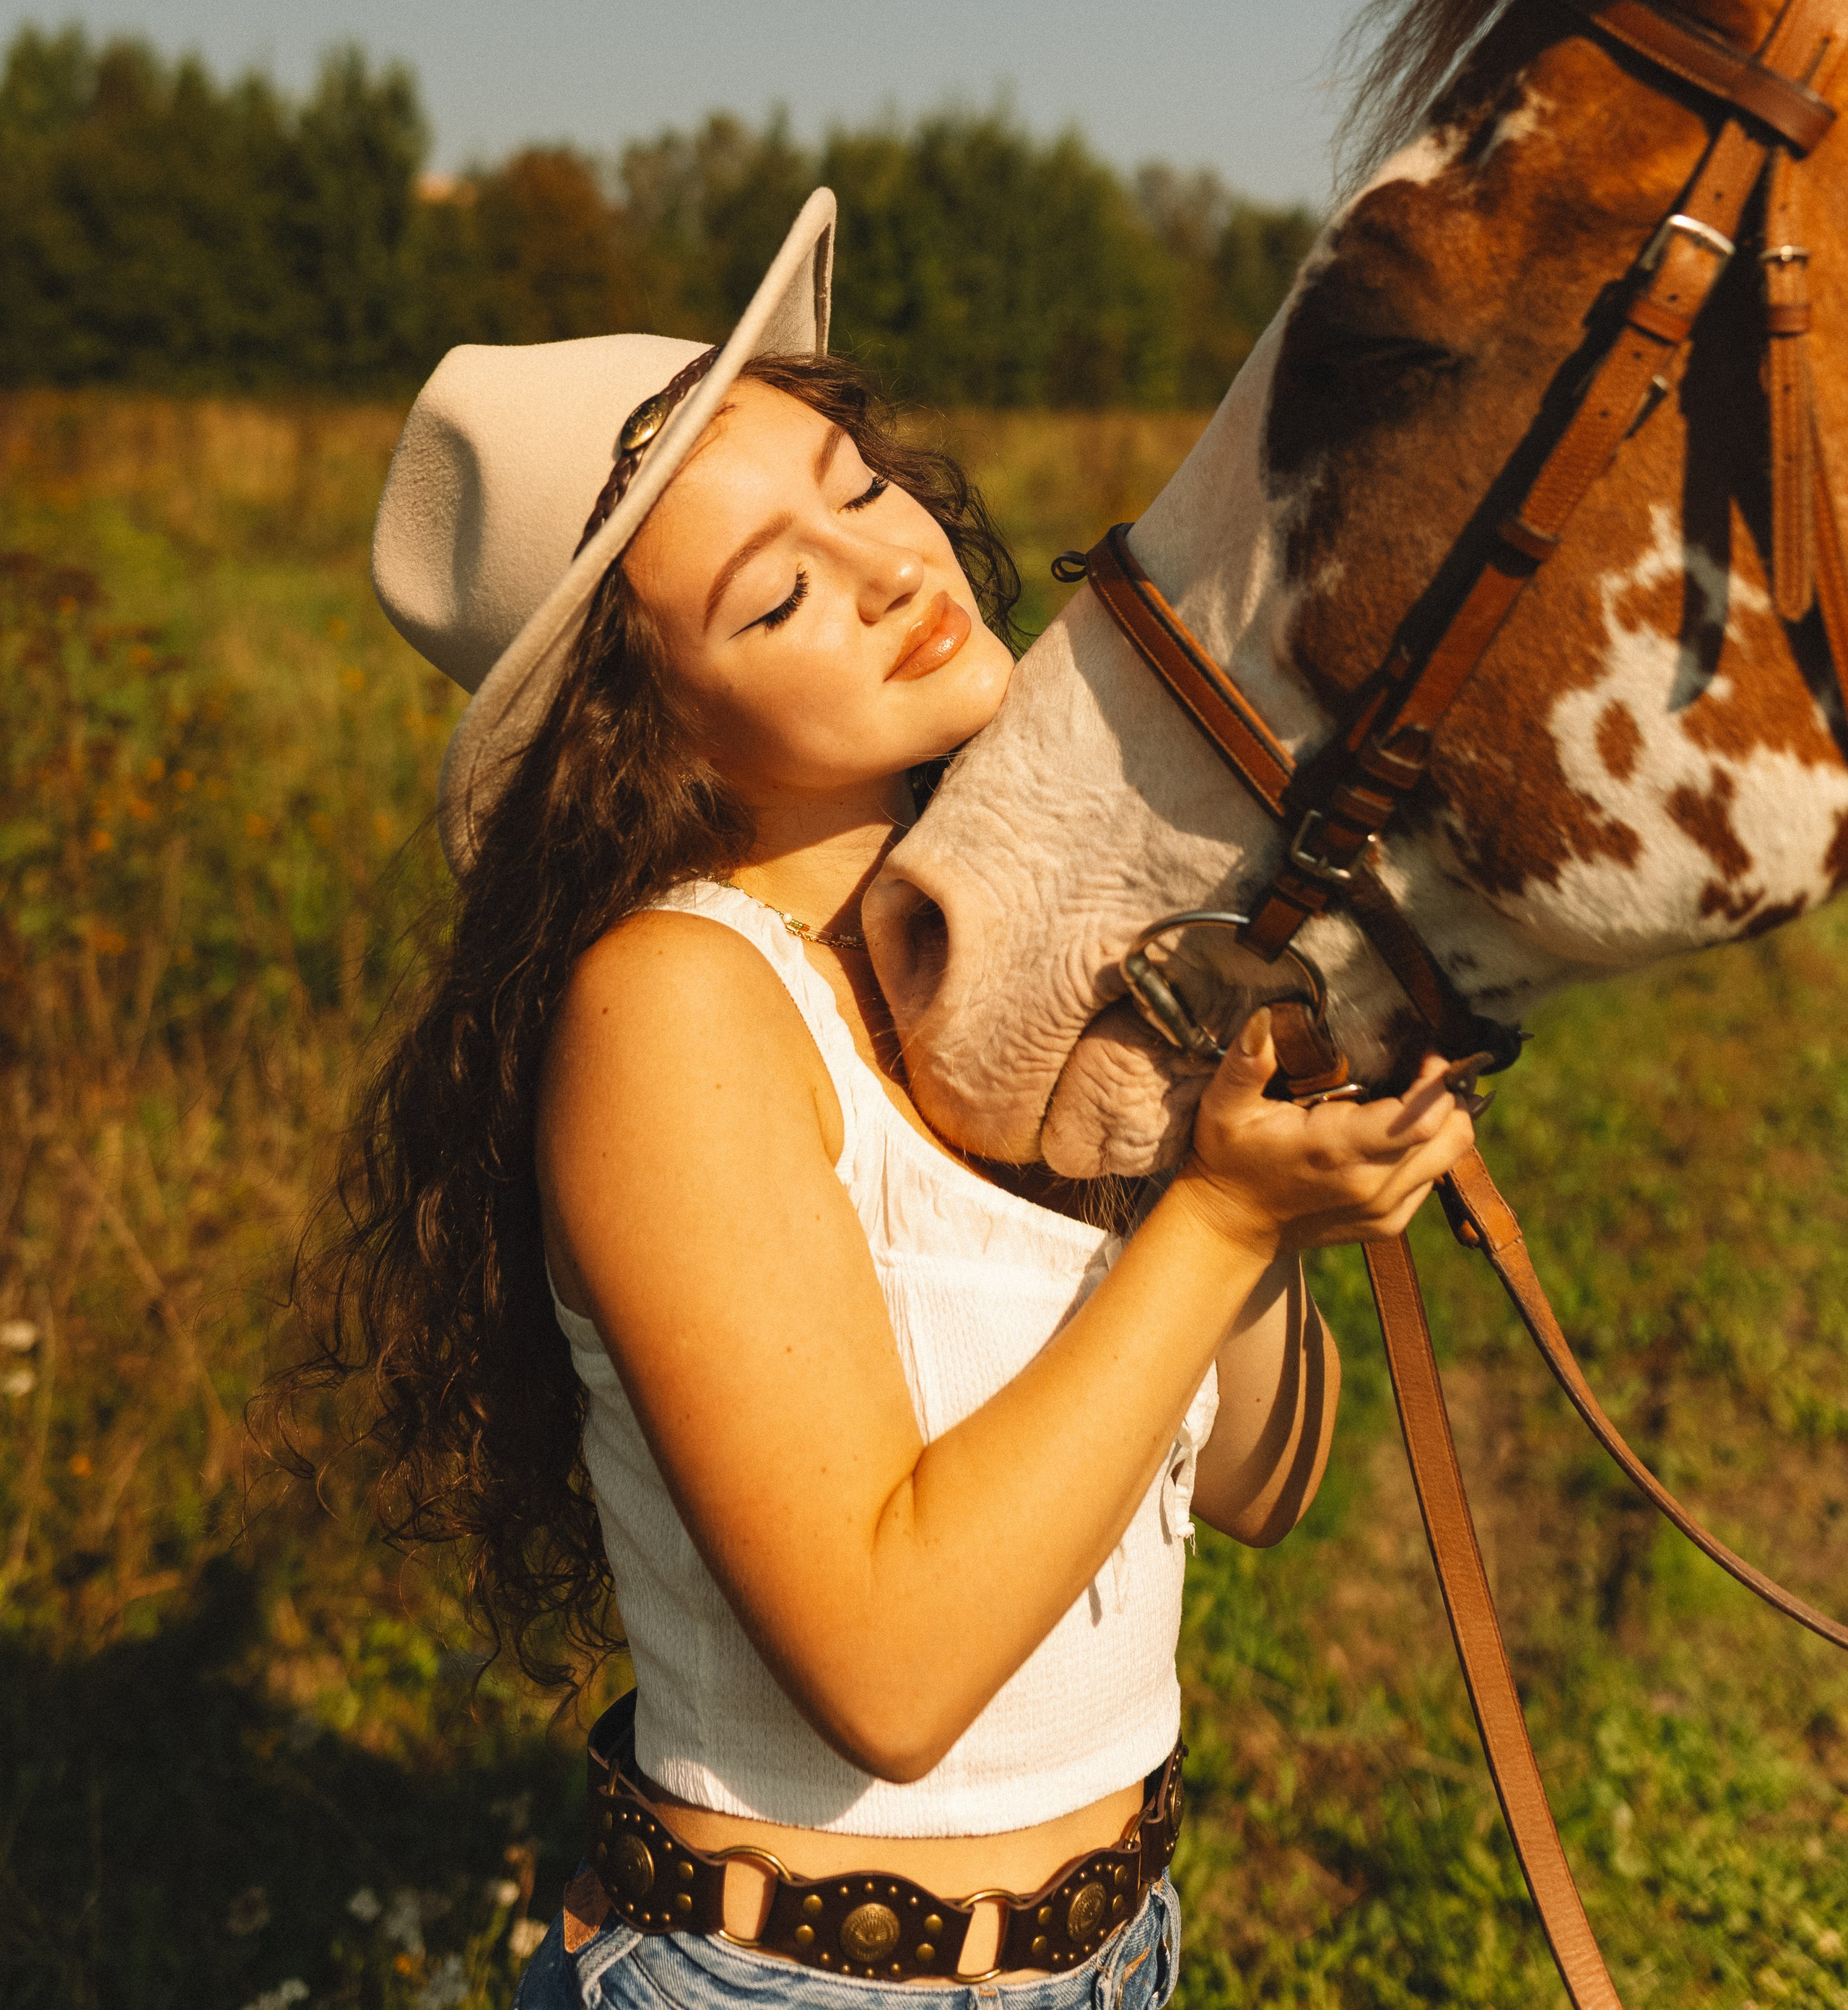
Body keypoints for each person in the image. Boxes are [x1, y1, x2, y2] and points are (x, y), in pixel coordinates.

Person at [295, 193, 1476, 2010]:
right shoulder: (679, 1005)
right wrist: (1221, 1218)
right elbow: (890, 1672)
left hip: (1117, 1953)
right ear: (642, 733)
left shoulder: (1002, 951)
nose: (883, 569)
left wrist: (1255, 1165)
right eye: (771, 594)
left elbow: (1259, 1482)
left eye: (858, 488)